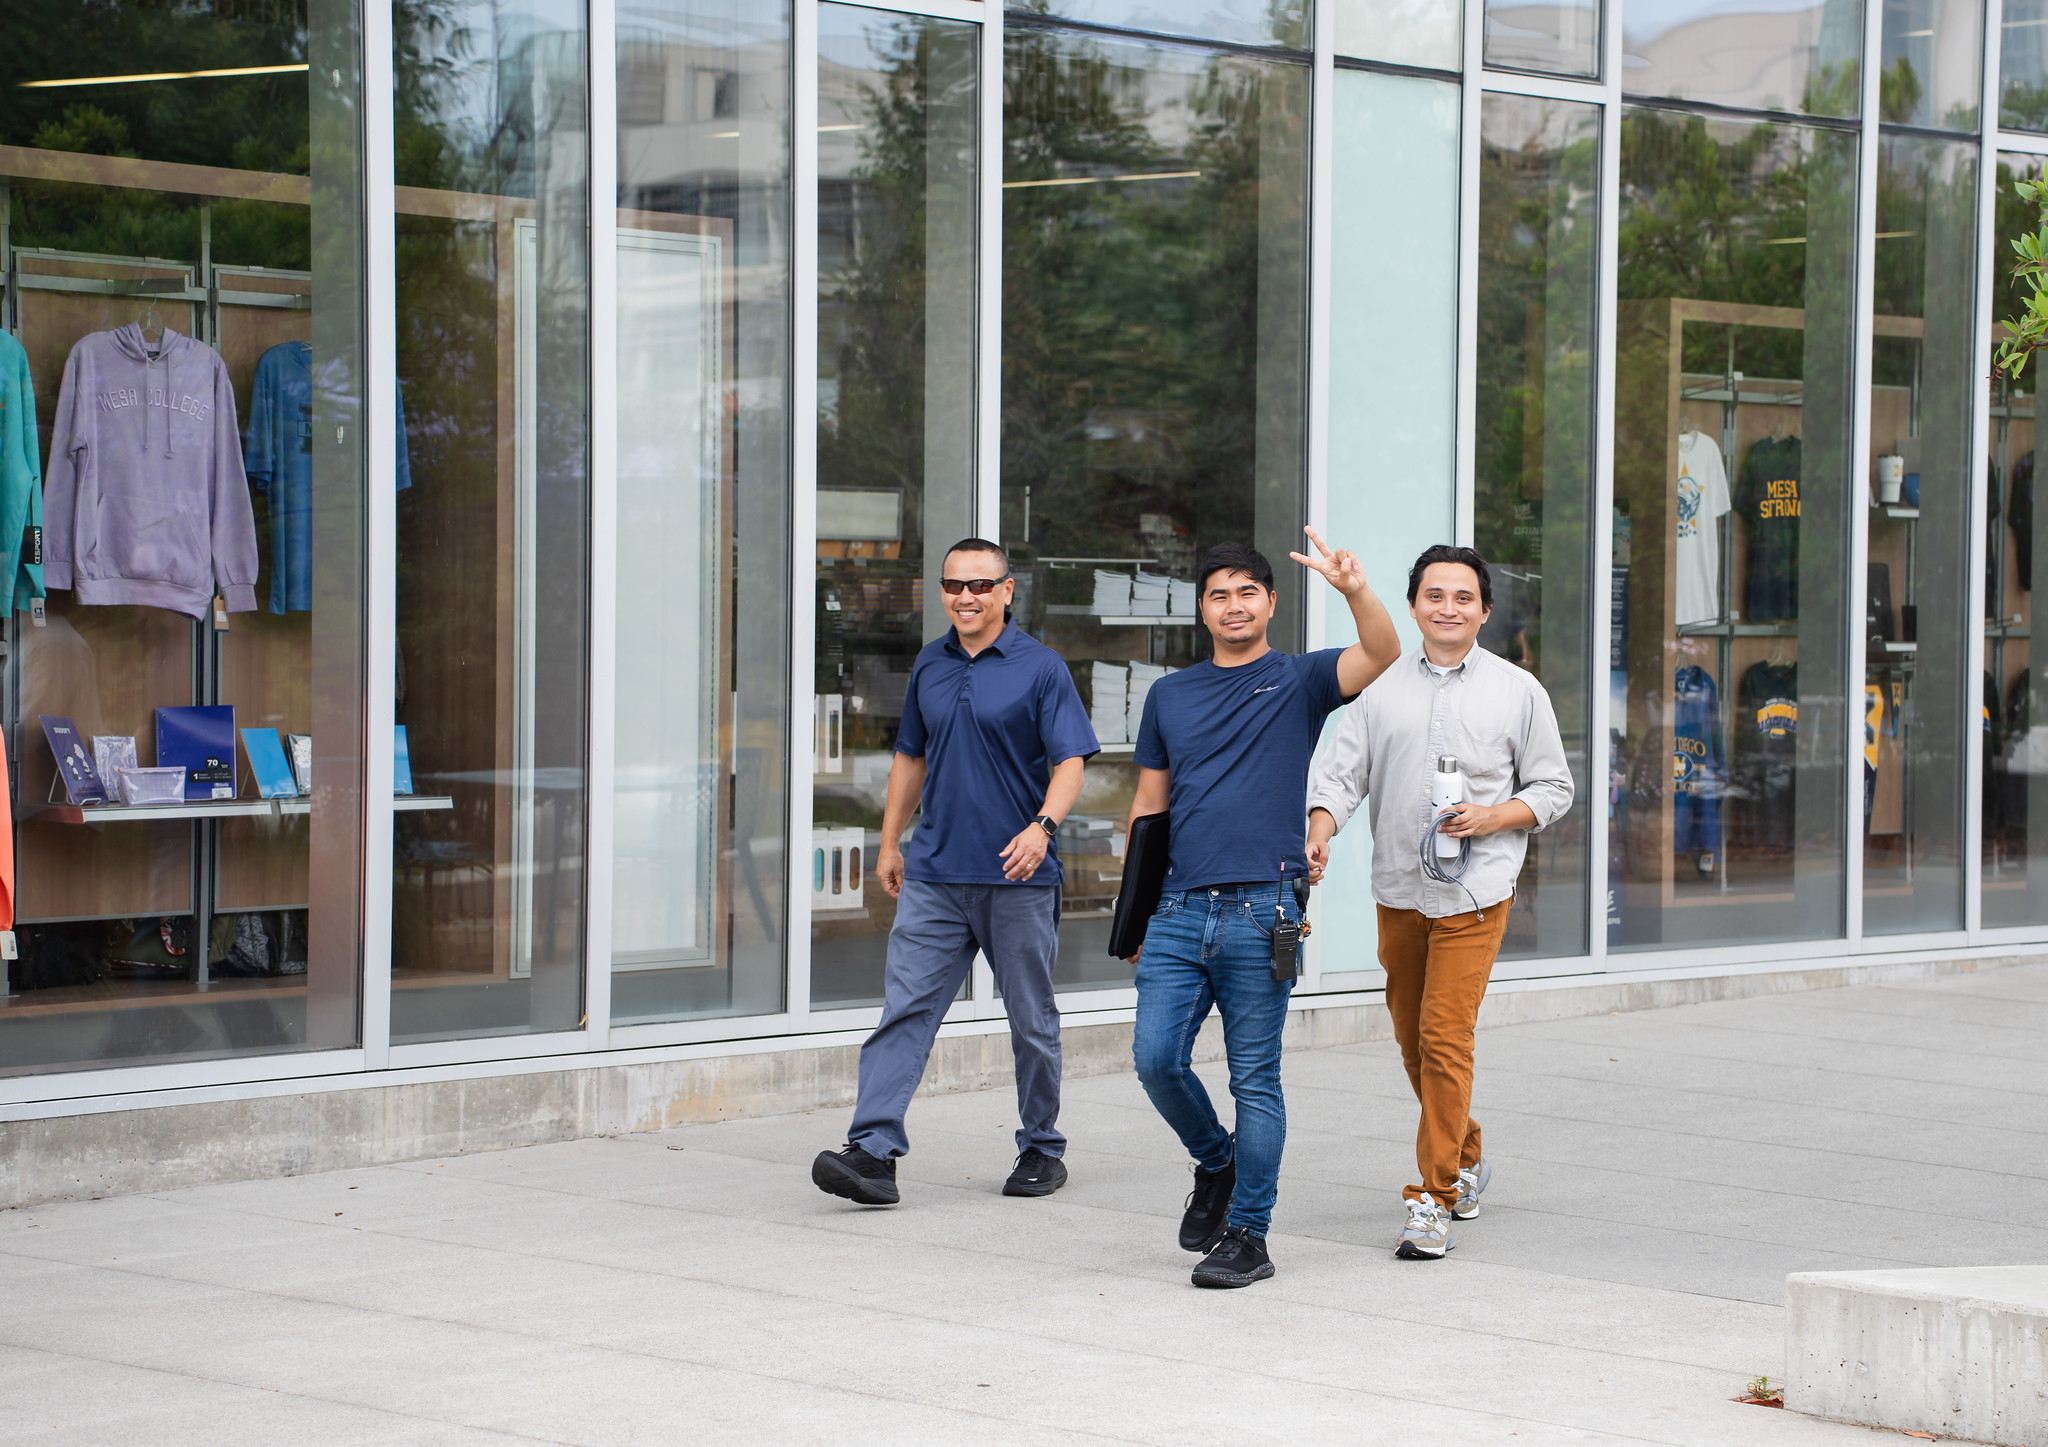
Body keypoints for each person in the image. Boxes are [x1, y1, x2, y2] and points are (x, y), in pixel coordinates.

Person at [1125, 530, 1402, 1289]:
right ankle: (1216, 1161)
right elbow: (1148, 813)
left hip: (1263, 909)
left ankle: (1249, 1232)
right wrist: (1135, 920)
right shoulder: (1169, 695)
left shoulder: (1300, 680)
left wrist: (1353, 589)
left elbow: (1381, 651)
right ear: (1202, 608)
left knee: (1256, 1078)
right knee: (1155, 1058)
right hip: (1178, 910)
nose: (1235, 604)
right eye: (1220, 593)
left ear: (1271, 602)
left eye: (1248, 591)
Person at [1305, 544, 1573, 1260]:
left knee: (1446, 1037)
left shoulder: (1518, 690)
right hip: (1398, 890)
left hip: (1476, 893)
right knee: (1412, 1042)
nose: (1448, 608)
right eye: (1434, 595)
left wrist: (1493, 816)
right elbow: (1340, 774)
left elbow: (1554, 788)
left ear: (1484, 610)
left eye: (1463, 597)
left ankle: (1433, 1196)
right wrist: (1320, 830)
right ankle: (1466, 1150)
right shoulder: (1382, 687)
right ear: (1416, 603)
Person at [812, 538, 1098, 1207]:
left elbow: (1072, 763)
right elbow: (911, 757)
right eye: (952, 585)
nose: (965, 597)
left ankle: (1041, 1147)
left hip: (1017, 875)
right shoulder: (929, 665)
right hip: (937, 872)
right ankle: (874, 1152)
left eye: (979, 585)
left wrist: (1042, 827)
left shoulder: (1041, 668)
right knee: (905, 1010)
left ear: (1006, 591)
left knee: (1030, 1018)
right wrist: (889, 843)